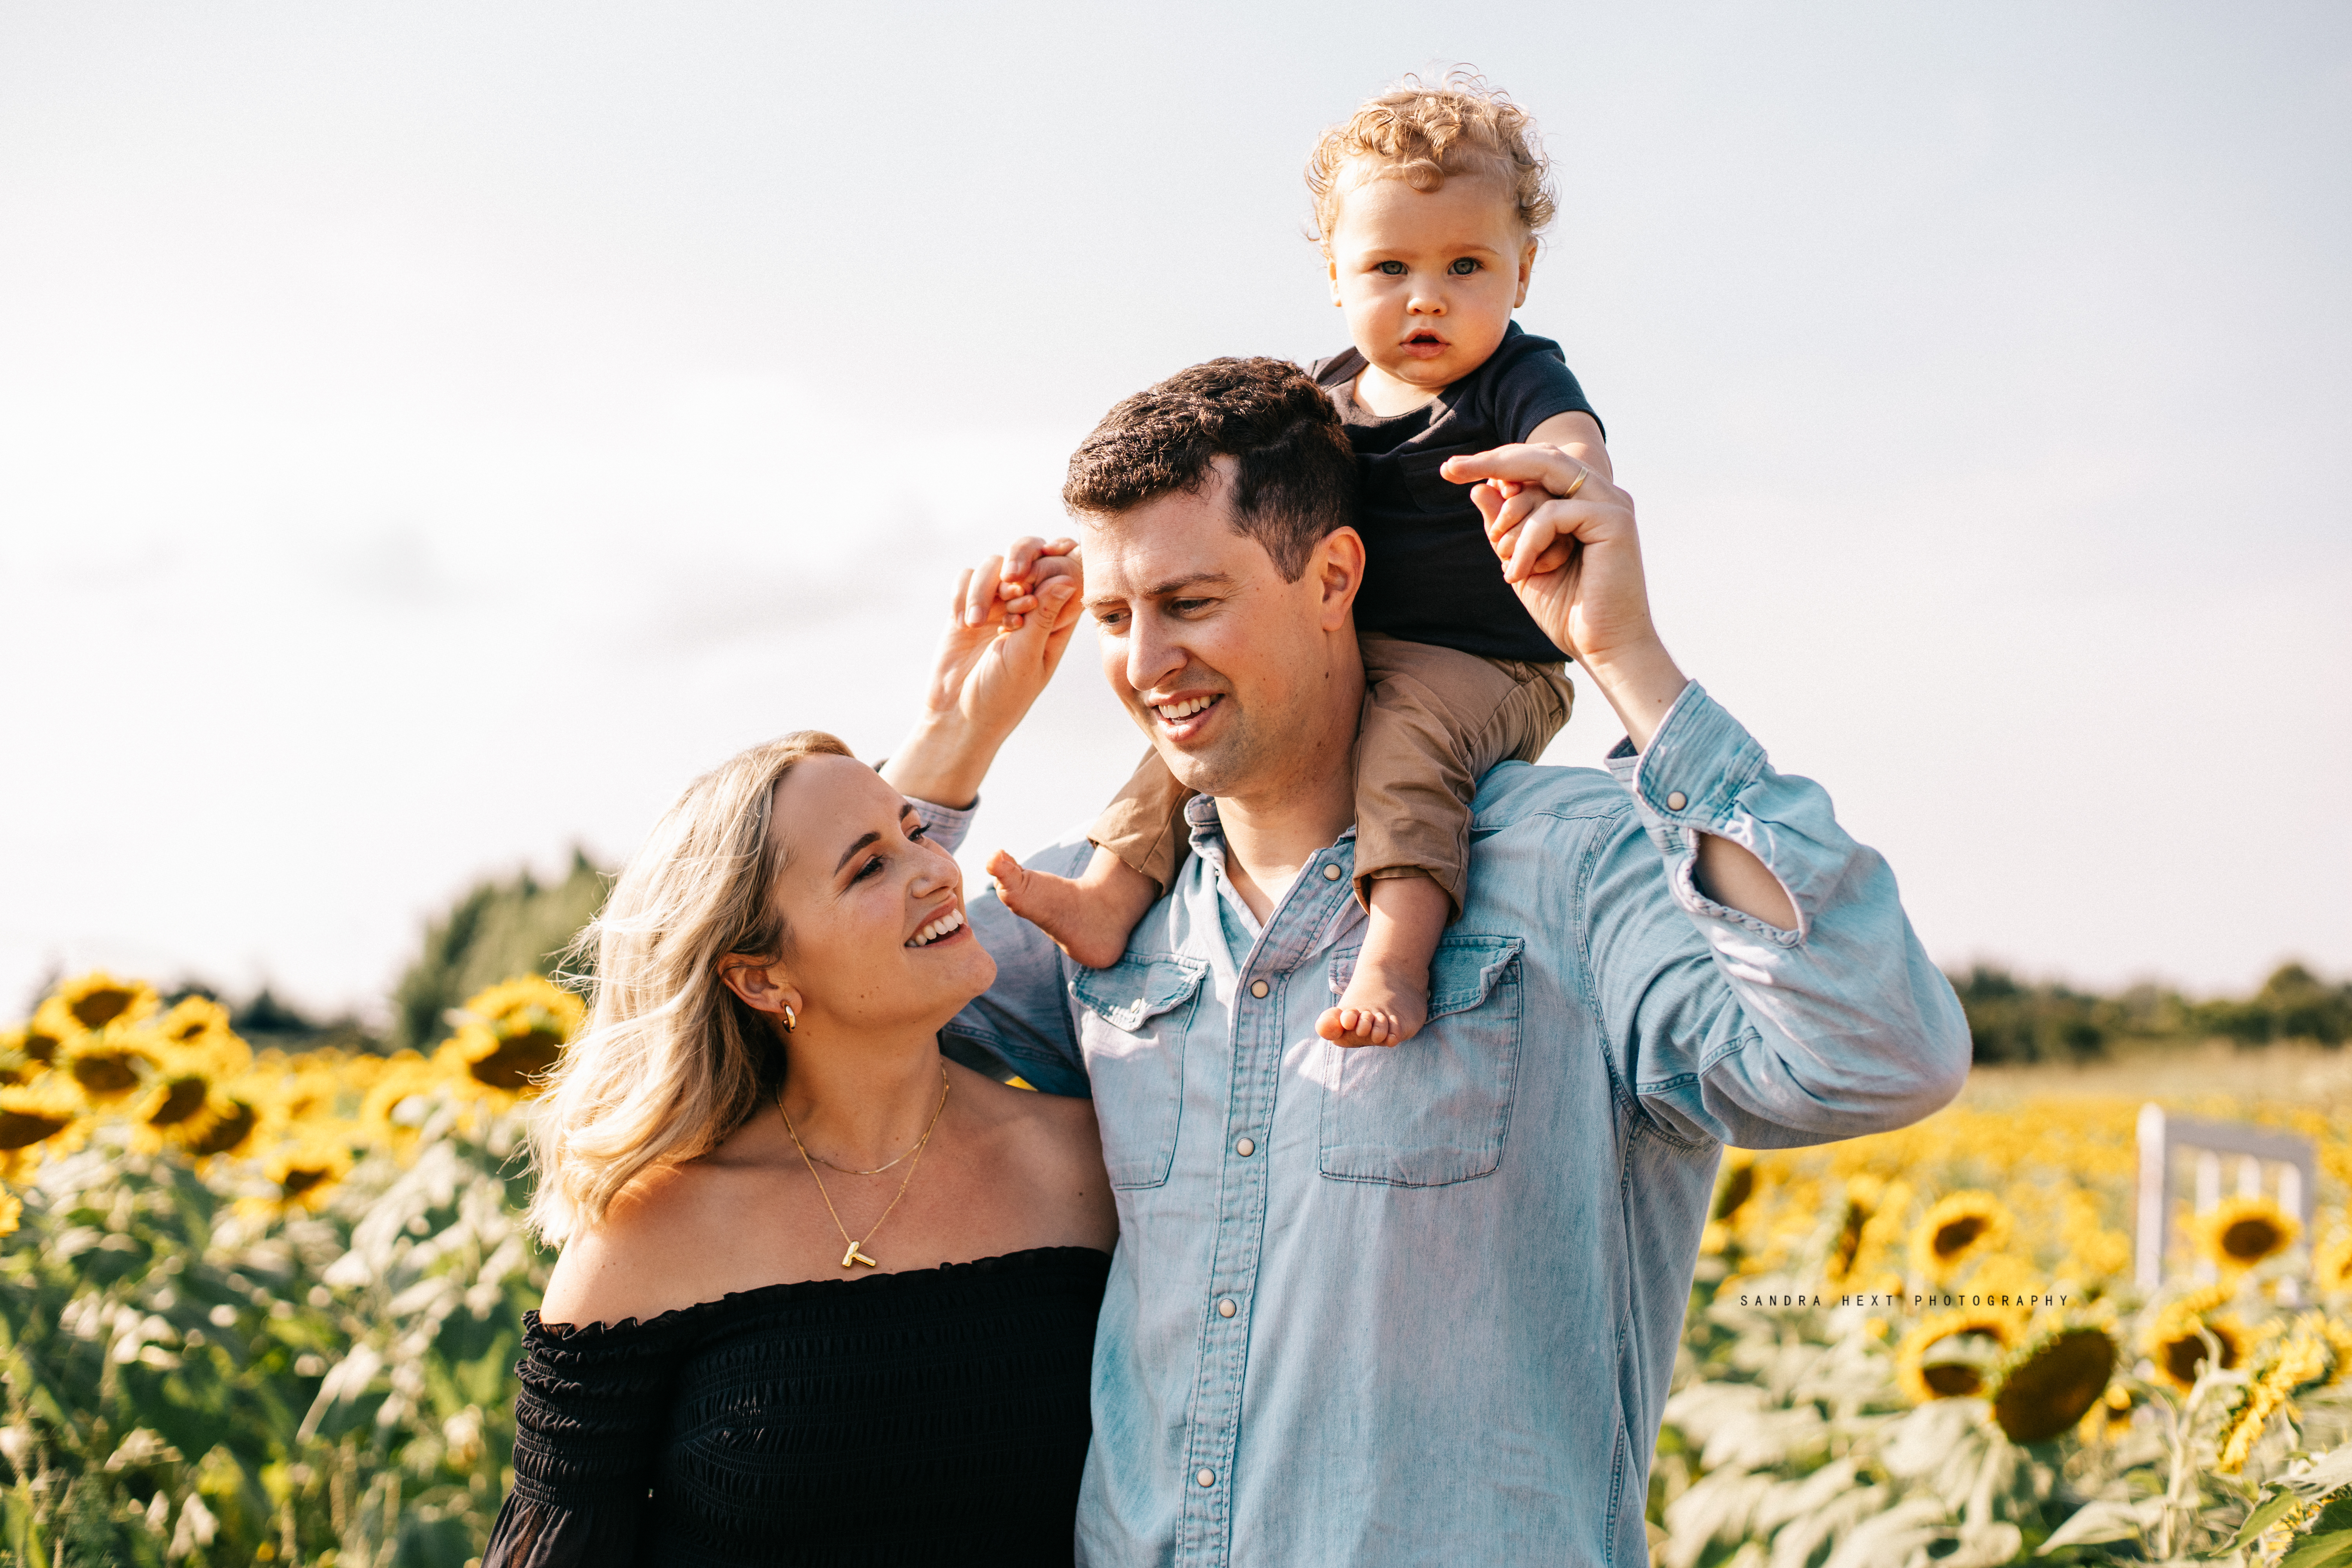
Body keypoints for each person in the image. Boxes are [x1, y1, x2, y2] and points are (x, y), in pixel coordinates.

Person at [887, 357, 1972, 1566]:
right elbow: (825, 1003)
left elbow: (1880, 1058)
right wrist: (953, 735)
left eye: (1191, 603)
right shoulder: (1102, 913)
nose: (1144, 665)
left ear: (1334, 576)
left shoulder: (1574, 865)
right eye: (1111, 617)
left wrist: (1629, 660)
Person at [480, 559, 1118, 1567]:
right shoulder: (646, 1233)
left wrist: (967, 721)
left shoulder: (1088, 1163)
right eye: (870, 865)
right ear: (759, 978)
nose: (935, 867)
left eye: (914, 833)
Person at [992, 74, 1613, 1052]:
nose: (1426, 299)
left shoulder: (1515, 377)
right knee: (1181, 744)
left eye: (1466, 267)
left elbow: (1574, 438)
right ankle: (1112, 892)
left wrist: (1569, 475)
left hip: (1486, 661)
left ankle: (1396, 956)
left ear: (1522, 274)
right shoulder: (1323, 396)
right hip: (1358, 645)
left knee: (1409, 761)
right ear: (1335, 274)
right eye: (1389, 269)